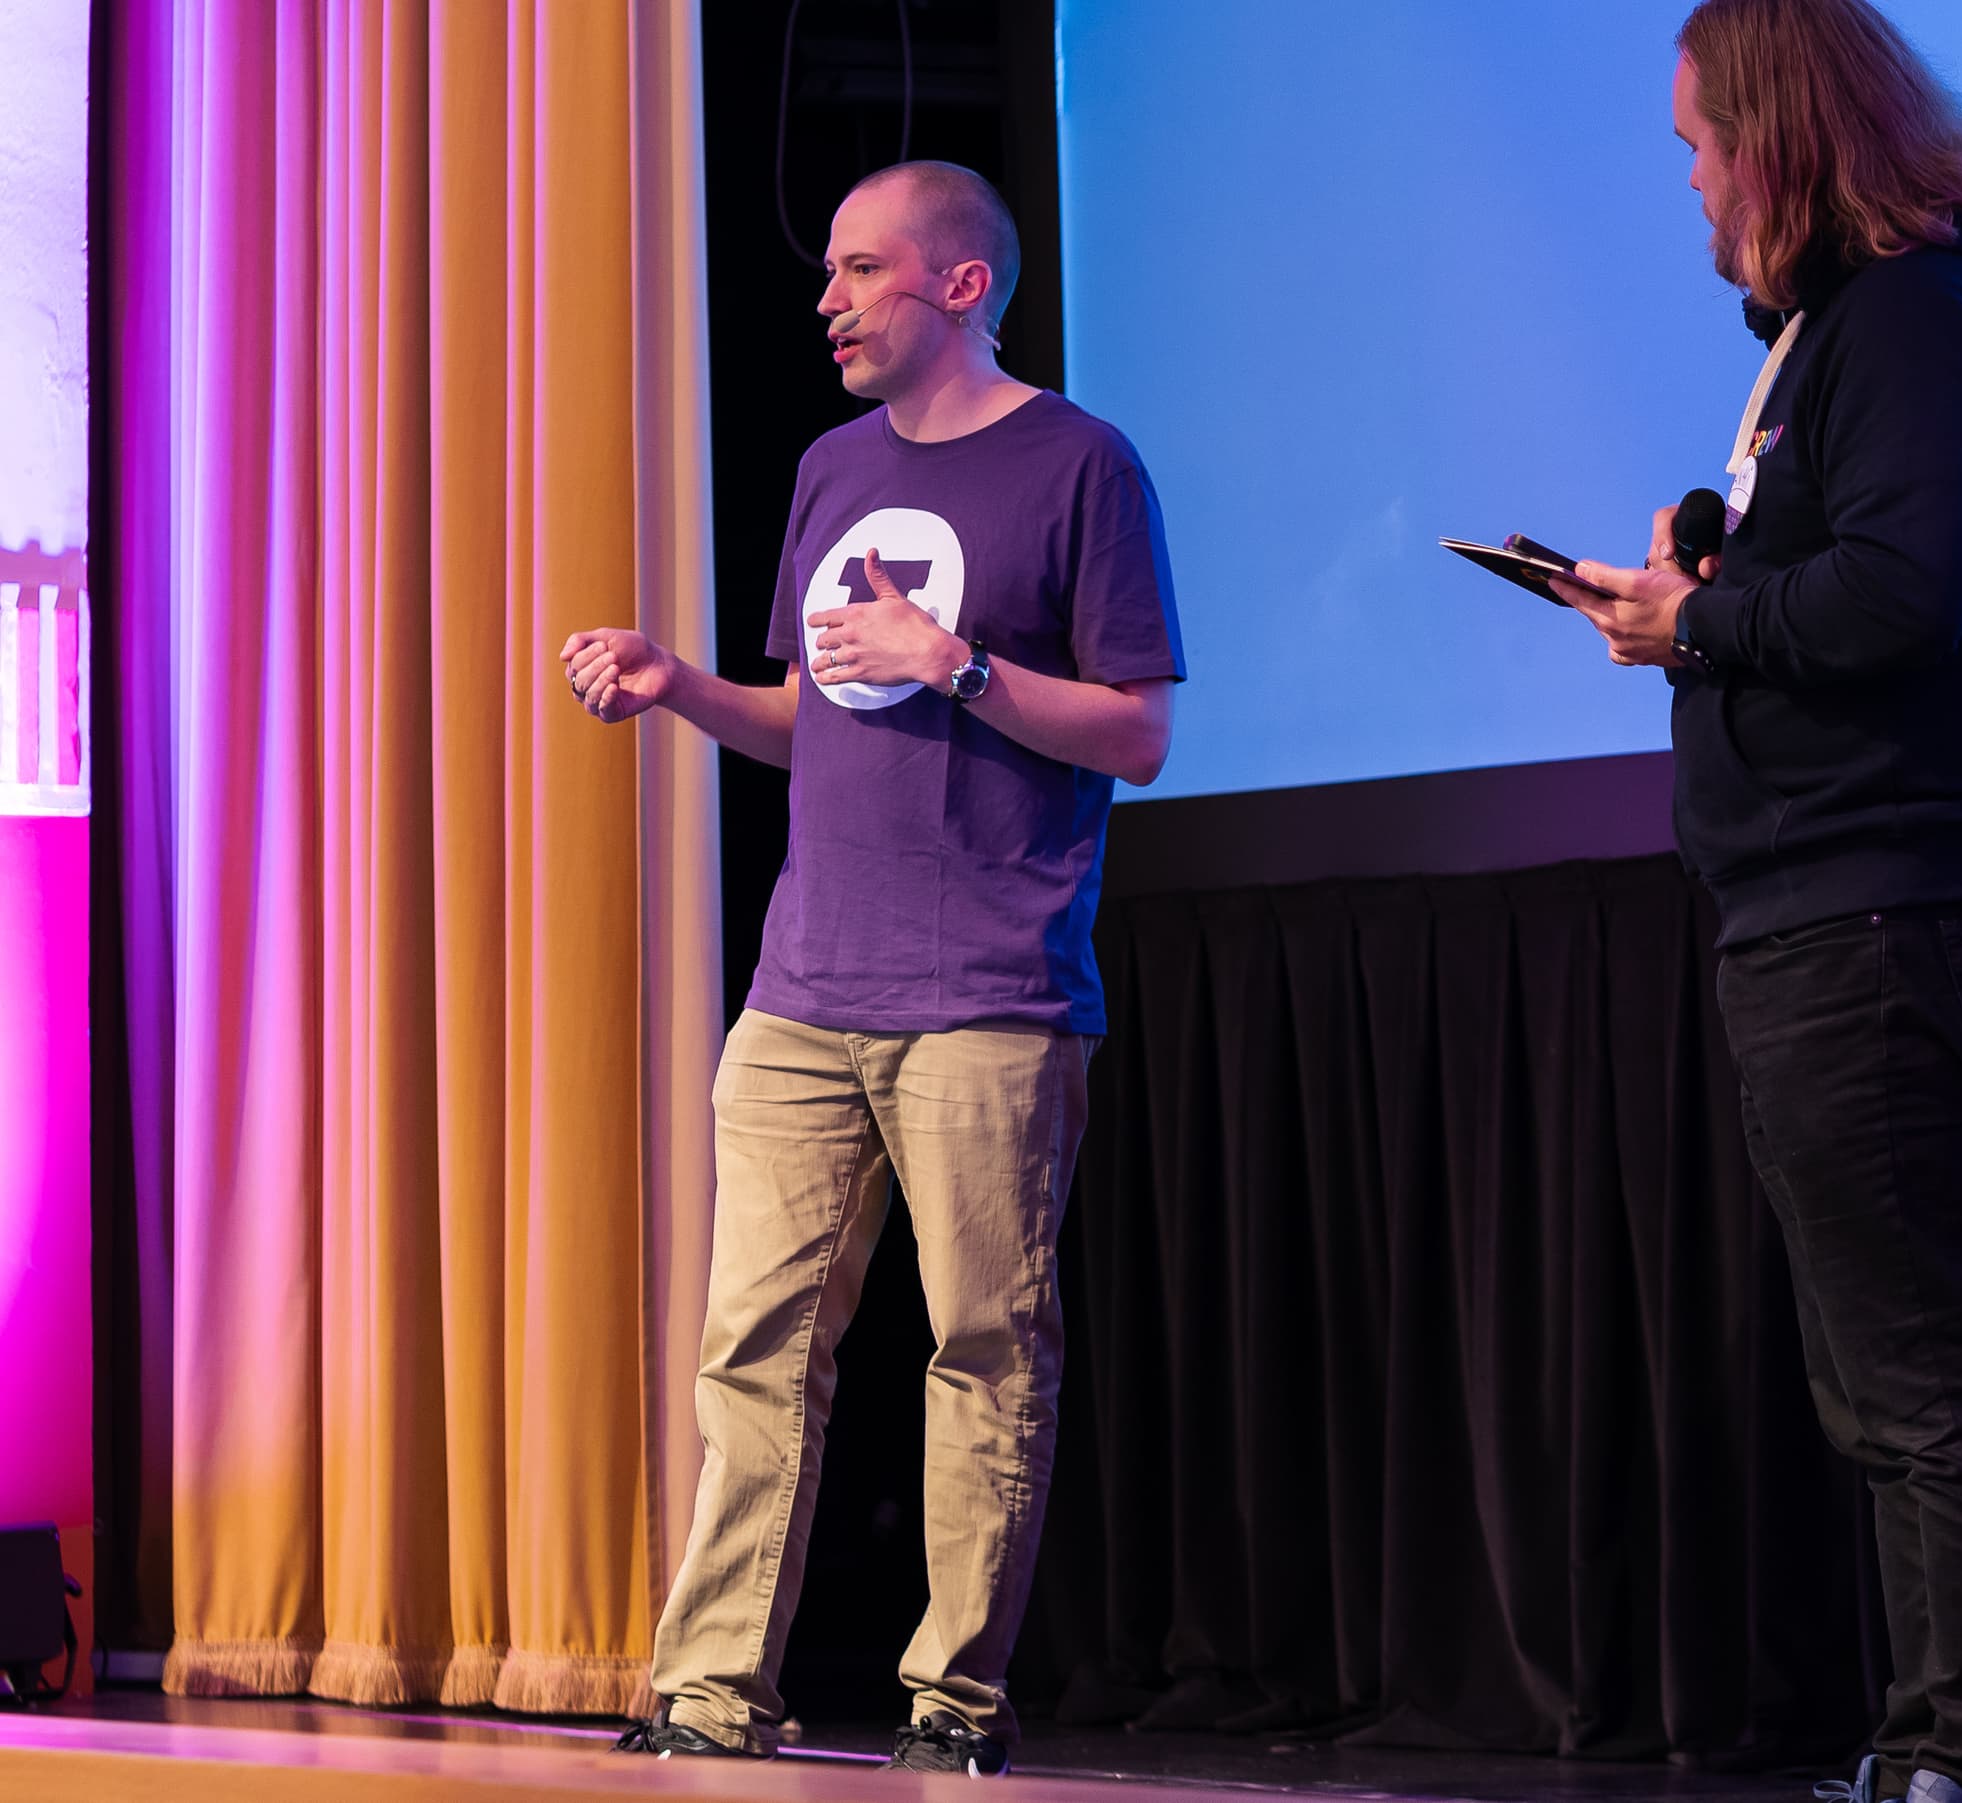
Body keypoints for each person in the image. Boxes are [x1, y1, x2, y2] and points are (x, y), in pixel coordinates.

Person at [563, 160, 1184, 1775]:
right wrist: (678, 682)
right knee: (753, 1352)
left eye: (860, 271)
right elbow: (813, 718)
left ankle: (953, 1704)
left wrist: (957, 662)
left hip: (989, 993)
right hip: (803, 988)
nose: (827, 301)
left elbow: (1138, 734)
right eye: (830, 273)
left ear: (962, 286)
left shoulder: (1083, 464)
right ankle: (712, 1692)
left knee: (982, 1354)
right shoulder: (833, 470)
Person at [1547, 6, 1962, 1803]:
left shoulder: (1920, 317)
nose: (1693, 184)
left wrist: (1696, 621)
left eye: (1700, 146)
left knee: (1930, 1377)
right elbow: (1850, 576)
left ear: (1776, 140)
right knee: (1883, 1387)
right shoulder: (1854, 328)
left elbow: (1903, 596)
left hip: (1889, 909)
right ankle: (1932, 1742)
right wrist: (1715, 579)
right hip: (1830, 910)